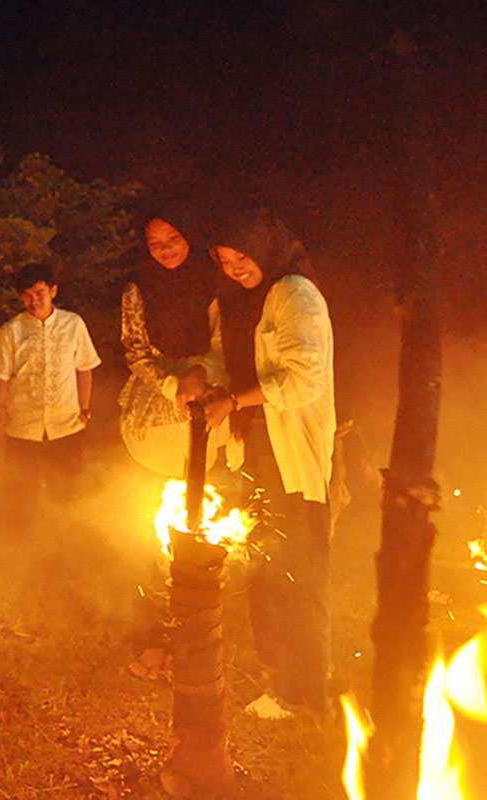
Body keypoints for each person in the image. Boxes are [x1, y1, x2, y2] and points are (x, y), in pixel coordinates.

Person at [197, 204, 335, 717]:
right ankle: (281, 679)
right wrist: (204, 378)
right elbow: (220, 356)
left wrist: (234, 401)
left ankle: (306, 693)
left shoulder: (297, 295)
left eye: (243, 256)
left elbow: (306, 378)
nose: (236, 268)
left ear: (267, 247)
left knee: (300, 571)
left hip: (292, 452)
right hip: (250, 449)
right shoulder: (231, 301)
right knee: (265, 568)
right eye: (226, 260)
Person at [0, 262, 101, 520]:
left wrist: (84, 409)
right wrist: (0, 407)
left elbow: (84, 368)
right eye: (27, 295)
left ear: (53, 291)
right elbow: (1, 376)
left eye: (40, 292)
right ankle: (23, 549)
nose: (34, 300)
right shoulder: (10, 331)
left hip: (66, 425)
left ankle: (66, 545)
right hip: (23, 426)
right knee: (21, 493)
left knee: (66, 492)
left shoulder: (73, 324)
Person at [118, 201, 221, 476]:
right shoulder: (138, 288)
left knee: (207, 483)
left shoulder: (214, 281)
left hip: (209, 395)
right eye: (155, 243)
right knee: (151, 492)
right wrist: (172, 386)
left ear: (189, 235)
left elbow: (222, 340)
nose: (165, 250)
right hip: (154, 405)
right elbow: (135, 351)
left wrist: (201, 374)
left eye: (173, 239)